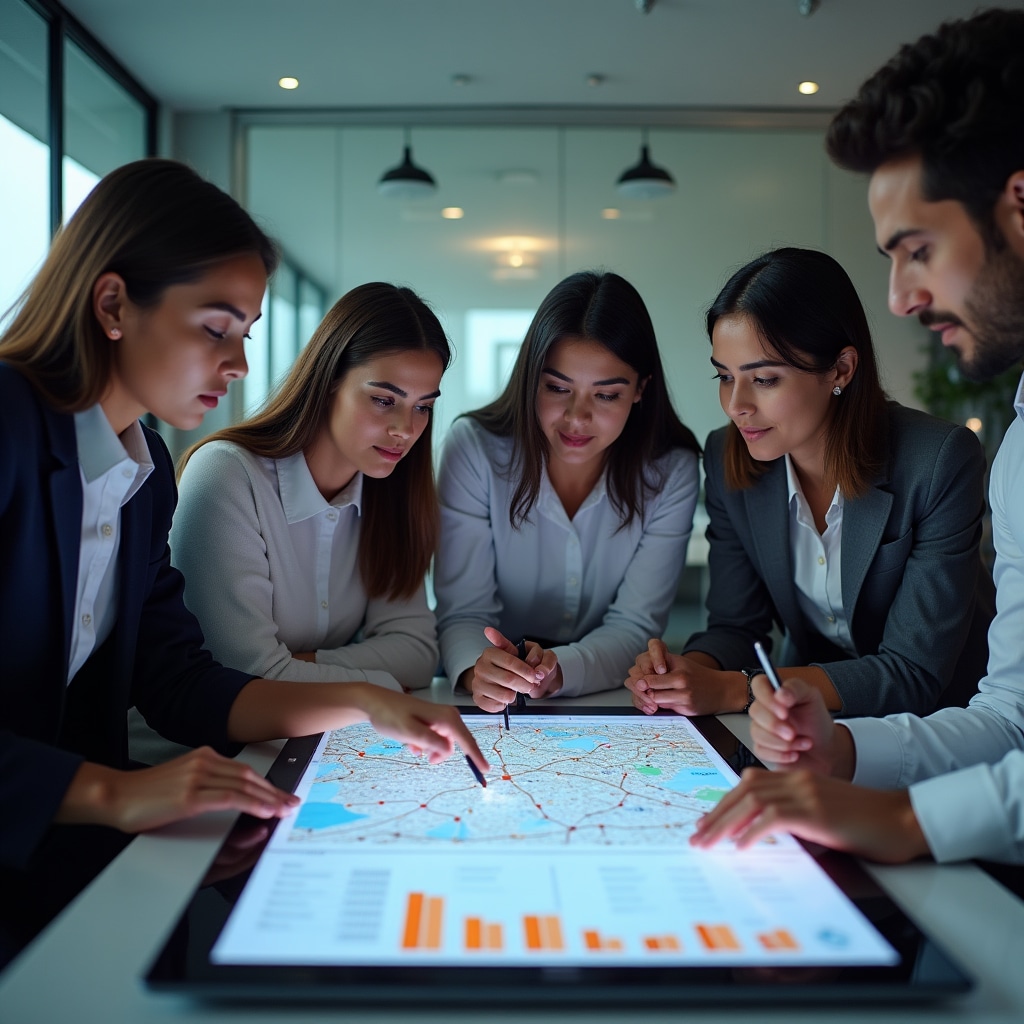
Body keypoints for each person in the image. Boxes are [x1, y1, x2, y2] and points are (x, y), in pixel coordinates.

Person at [0, 159, 487, 957]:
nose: (240, 365)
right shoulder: (10, 422)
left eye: (247, 334)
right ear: (114, 304)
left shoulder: (146, 471)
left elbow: (179, 682)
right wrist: (117, 794)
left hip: (63, 854)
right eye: (215, 328)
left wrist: (370, 705)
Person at [691, 8, 1024, 865]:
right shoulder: (1020, 448)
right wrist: (835, 750)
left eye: (916, 249)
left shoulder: (946, 458)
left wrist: (909, 824)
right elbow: (1010, 717)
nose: (900, 300)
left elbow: (929, 677)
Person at [626, 247, 993, 719]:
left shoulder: (938, 460)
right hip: (803, 717)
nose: (736, 405)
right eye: (723, 377)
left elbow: (913, 673)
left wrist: (740, 689)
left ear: (840, 369)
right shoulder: (727, 457)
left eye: (764, 380)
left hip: (943, 725)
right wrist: (683, 673)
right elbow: (738, 627)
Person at [434, 270, 700, 709]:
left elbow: (635, 624)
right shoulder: (476, 449)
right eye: (557, 388)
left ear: (640, 390)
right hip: (487, 692)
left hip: (606, 691)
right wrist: (475, 667)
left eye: (606, 395)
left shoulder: (670, 470)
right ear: (530, 378)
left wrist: (560, 670)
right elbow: (464, 611)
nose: (576, 419)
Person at [169, 283, 445, 704]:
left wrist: (300, 665)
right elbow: (244, 677)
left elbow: (418, 654)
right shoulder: (227, 474)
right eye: (384, 400)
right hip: (188, 756)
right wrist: (378, 684)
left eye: (423, 406)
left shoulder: (391, 495)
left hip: (300, 743)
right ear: (330, 379)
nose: (405, 430)